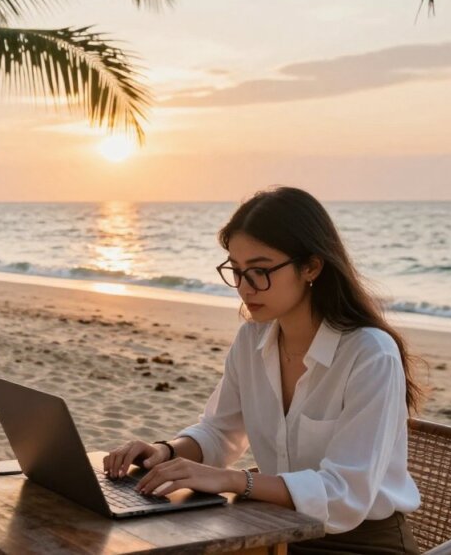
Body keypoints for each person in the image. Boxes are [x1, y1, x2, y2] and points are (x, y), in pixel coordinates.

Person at [104, 187, 422, 553]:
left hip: (359, 542)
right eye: (236, 271)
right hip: (273, 529)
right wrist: (167, 452)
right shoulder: (252, 340)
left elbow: (345, 495)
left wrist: (233, 480)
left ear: (311, 267)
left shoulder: (369, 354)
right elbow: (220, 432)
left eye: (259, 271)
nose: (243, 288)